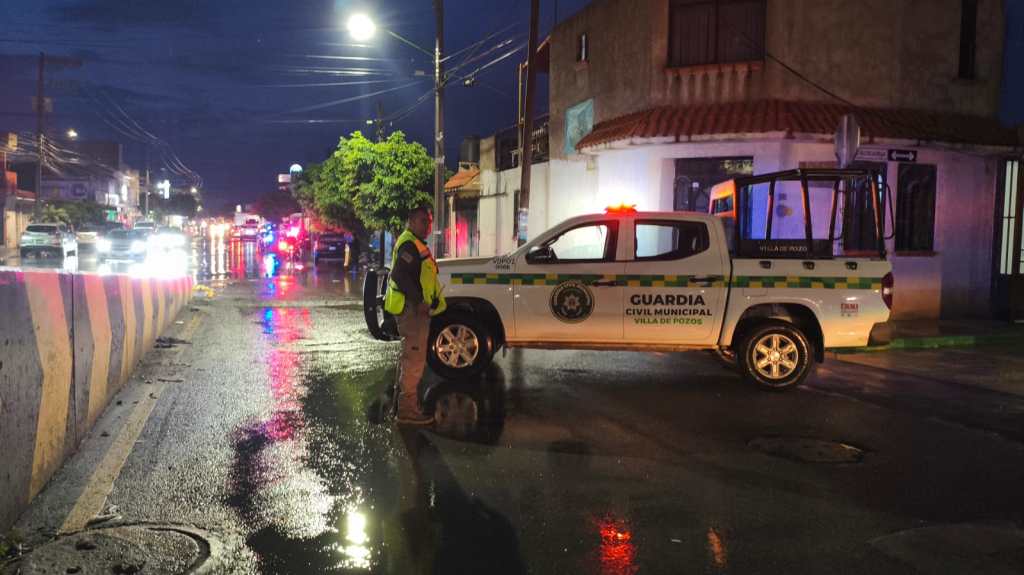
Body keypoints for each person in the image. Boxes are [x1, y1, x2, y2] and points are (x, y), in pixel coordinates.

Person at [384, 206, 446, 425]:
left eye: (429, 222)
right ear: (410, 221)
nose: (427, 226)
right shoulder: (409, 244)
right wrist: (419, 300)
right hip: (412, 311)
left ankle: (406, 404)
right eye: (422, 221)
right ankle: (407, 410)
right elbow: (400, 275)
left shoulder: (416, 244)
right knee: (414, 359)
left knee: (412, 358)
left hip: (417, 311)